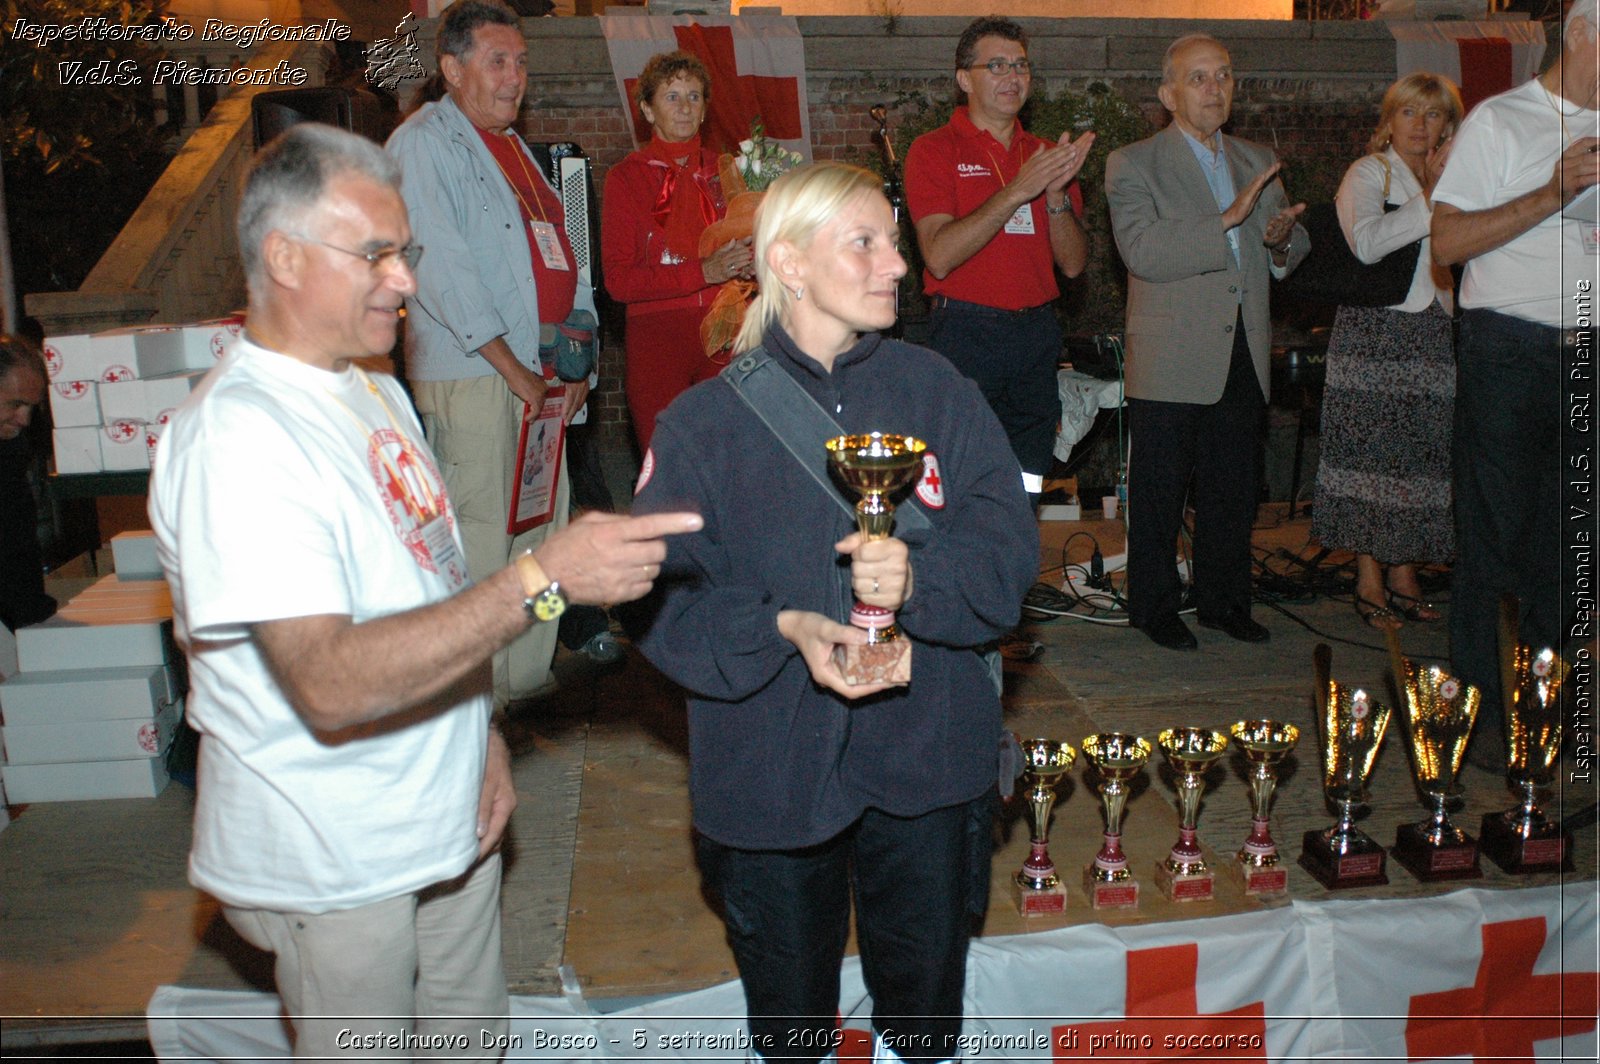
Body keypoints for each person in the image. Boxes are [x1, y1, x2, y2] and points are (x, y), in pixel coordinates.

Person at [148, 123, 701, 1057]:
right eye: (375, 255)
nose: (405, 282)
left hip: (443, 817)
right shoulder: (240, 439)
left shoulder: (372, 390)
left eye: (407, 254)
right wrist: (544, 578)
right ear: (282, 256)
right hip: (336, 854)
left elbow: (428, 582)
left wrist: (477, 730)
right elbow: (326, 679)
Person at [625, 162, 1037, 1062]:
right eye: (867, 242)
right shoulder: (703, 424)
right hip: (771, 763)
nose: (899, 263)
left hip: (929, 752)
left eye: (893, 240)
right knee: (791, 1029)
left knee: (926, 1026)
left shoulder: (940, 391)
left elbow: (1010, 552)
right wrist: (780, 629)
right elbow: (657, 598)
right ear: (790, 261)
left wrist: (921, 585)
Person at [386, 0, 594, 709]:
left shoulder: (519, 151)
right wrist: (518, 374)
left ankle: (525, 685)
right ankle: (476, 706)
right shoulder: (424, 143)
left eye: (522, 62)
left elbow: (567, 259)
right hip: (480, 379)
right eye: (497, 62)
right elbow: (439, 268)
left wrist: (578, 364)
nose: (515, 78)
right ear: (452, 68)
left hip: (542, 385)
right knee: (482, 545)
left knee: (544, 548)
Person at [1431, 0, 1599, 764]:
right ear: (1583, 31)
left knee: (1573, 543)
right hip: (1508, 353)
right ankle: (1480, 721)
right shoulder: (1502, 122)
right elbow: (1448, 240)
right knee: (1494, 539)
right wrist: (1552, 194)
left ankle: (1547, 712)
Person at [1105, 33, 1308, 651]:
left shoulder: (1256, 157)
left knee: (1232, 489)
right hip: (1171, 353)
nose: (1215, 87)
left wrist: (1277, 239)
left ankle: (1225, 602)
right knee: (1160, 489)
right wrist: (1226, 220)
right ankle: (1154, 607)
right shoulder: (1133, 162)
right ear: (1169, 95)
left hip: (1243, 347)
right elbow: (1142, 251)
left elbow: (1289, 253)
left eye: (1223, 75)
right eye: (1199, 78)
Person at [904, 15, 1093, 502]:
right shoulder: (933, 150)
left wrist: (1053, 196)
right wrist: (1017, 191)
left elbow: (1073, 265)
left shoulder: (1046, 154)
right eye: (998, 65)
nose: (1013, 76)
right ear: (964, 79)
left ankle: (1015, 574)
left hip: (1035, 334)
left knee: (1027, 480)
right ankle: (960, 578)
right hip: (966, 333)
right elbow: (939, 256)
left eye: (1022, 65)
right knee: (959, 477)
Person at [1313, 73, 1463, 631]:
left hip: (1432, 330)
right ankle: (1369, 576)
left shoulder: (1460, 176)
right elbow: (1368, 244)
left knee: (1419, 456)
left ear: (1449, 126)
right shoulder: (1369, 172)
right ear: (1389, 120)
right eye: (1410, 114)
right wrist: (1429, 199)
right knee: (1369, 457)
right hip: (1374, 334)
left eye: (1434, 116)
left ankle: (1404, 571)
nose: (1422, 127)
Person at [601, 50, 752, 451]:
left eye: (694, 96)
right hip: (658, 341)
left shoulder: (729, 172)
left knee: (726, 465)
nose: (685, 107)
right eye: (671, 97)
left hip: (726, 336)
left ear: (705, 110)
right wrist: (704, 272)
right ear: (647, 110)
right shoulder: (626, 178)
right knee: (667, 463)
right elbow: (618, 282)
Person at [0, 334, 56, 633]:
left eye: (31, 408)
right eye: (16, 404)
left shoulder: (13, 448)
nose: (24, 419)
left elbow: (19, 548)